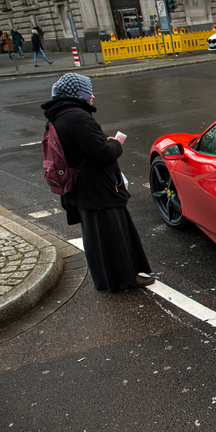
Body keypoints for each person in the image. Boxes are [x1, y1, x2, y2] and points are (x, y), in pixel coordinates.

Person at [41, 73, 154, 292]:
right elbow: (102, 154)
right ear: (78, 94)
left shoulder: (58, 116)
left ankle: (105, 280)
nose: (92, 96)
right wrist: (116, 145)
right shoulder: (78, 118)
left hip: (80, 189)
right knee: (114, 234)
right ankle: (125, 279)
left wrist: (103, 142)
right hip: (98, 189)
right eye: (88, 91)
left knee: (95, 238)